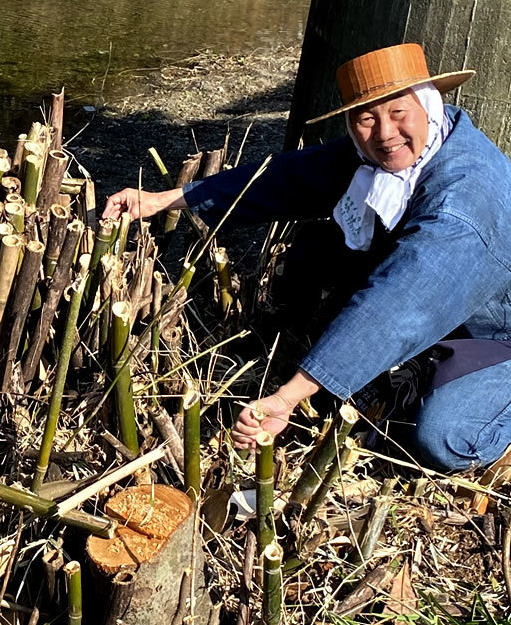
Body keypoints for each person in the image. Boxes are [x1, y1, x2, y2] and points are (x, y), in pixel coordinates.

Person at [102, 43, 511, 473]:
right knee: (320, 248)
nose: (385, 133)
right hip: (441, 308)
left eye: (398, 113)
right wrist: (163, 200)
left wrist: (288, 397)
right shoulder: (396, 152)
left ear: (427, 103)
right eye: (366, 117)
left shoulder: (463, 205)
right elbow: (284, 179)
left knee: (445, 436)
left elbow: (399, 304)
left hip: (496, 336)